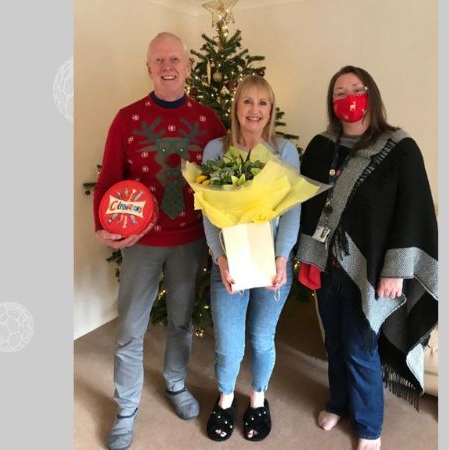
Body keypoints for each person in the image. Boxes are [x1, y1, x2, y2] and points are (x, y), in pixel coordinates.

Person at [92, 32, 226, 450]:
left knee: (182, 321)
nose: (168, 66)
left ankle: (174, 384)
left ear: (188, 66)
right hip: (142, 243)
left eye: (175, 59)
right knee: (131, 328)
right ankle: (127, 408)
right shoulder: (127, 119)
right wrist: (103, 224)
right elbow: (110, 177)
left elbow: (224, 184)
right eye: (158, 60)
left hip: (189, 242)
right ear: (148, 68)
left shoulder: (210, 122)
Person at [296, 66, 438, 450]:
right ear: (332, 103)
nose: (348, 98)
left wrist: (396, 271)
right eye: (339, 92)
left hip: (372, 272)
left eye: (356, 89)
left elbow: (413, 212)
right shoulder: (321, 146)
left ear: (371, 94)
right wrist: (301, 253)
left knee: (361, 349)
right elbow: (303, 201)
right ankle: (338, 403)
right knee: (335, 344)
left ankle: (369, 427)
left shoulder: (399, 147)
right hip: (326, 266)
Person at [201, 75, 300, 442]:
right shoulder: (216, 150)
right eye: (247, 102)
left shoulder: (284, 151)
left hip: (272, 266)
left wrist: (280, 258)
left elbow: (291, 211)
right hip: (228, 267)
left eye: (262, 103)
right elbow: (210, 211)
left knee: (261, 339)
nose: (254, 110)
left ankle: (258, 398)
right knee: (229, 343)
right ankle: (226, 399)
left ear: (271, 110)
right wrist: (220, 259)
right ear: (236, 107)